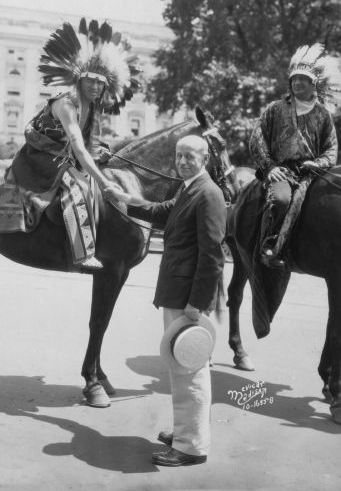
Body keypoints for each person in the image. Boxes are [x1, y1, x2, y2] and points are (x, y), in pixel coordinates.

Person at [108, 135, 226, 466]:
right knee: (180, 369)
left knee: (191, 370)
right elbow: (162, 212)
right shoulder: (189, 188)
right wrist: (124, 198)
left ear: (204, 157)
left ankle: (191, 447)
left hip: (188, 298)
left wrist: (197, 302)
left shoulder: (209, 194)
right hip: (177, 292)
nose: (183, 161)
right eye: (179, 155)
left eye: (191, 156)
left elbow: (213, 255)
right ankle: (187, 431)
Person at [14, 18, 141, 271]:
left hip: (64, 155)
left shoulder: (92, 106)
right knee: (79, 185)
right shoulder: (66, 104)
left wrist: (103, 154)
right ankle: (82, 251)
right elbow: (78, 147)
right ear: (79, 80)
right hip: (41, 155)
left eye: (100, 83)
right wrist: (105, 183)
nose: (95, 86)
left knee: (92, 175)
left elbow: (89, 144)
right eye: (90, 80)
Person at [250, 43, 341, 268]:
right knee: (281, 200)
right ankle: (269, 245)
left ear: (314, 84)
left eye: (303, 79)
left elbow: (331, 149)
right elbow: (257, 138)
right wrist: (270, 167)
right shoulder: (275, 109)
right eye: (294, 79)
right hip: (281, 171)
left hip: (312, 171)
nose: (297, 82)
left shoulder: (323, 114)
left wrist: (318, 163)